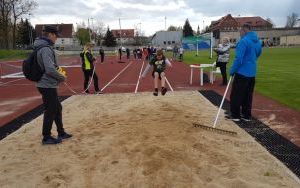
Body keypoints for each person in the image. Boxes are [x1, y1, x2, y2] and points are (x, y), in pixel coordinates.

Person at [34, 25, 72, 145]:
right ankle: (46, 137)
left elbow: (51, 67)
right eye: (56, 36)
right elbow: (49, 69)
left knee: (57, 108)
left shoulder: (44, 47)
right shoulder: (45, 48)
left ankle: (61, 132)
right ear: (50, 34)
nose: (56, 38)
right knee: (50, 110)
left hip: (48, 84)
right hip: (46, 85)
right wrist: (62, 77)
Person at [228, 24, 262, 122]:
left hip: (242, 73)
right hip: (252, 73)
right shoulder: (257, 41)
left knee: (236, 94)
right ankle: (246, 115)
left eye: (240, 32)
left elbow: (238, 59)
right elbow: (258, 53)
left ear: (244, 30)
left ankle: (235, 115)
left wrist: (232, 70)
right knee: (248, 95)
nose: (240, 34)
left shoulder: (243, 41)